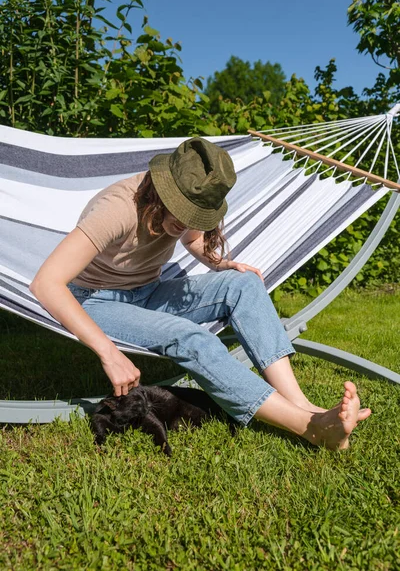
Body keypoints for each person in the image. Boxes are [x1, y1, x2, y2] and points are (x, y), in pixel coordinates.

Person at [30, 137, 371, 450]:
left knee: (244, 284)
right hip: (95, 300)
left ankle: (303, 406)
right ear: (162, 188)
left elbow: (192, 238)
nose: (185, 220)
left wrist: (222, 265)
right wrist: (109, 353)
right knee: (190, 337)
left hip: (148, 291)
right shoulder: (116, 208)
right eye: (181, 209)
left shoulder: (186, 200)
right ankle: (309, 428)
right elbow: (46, 283)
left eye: (196, 213)